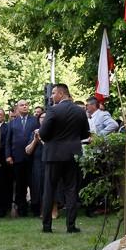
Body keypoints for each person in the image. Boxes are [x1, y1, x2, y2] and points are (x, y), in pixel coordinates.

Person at [38, 83, 89, 233]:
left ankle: (47, 226)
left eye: (53, 93)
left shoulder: (53, 110)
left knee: (49, 190)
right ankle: (71, 226)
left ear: (61, 94)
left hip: (53, 154)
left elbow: (43, 133)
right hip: (72, 154)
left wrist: (52, 137)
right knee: (71, 190)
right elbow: (85, 134)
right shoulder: (80, 111)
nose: (51, 96)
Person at [6, 99, 38, 217]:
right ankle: (22, 210)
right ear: (17, 108)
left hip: (33, 158)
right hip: (17, 159)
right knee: (20, 186)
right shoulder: (12, 123)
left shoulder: (35, 121)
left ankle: (35, 209)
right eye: (22, 105)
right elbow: (8, 141)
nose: (24, 107)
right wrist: (8, 155)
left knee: (34, 184)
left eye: (26, 105)